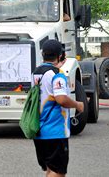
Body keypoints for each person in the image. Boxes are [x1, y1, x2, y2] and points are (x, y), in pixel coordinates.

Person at [32, 39, 84, 177]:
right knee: (58, 172)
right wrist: (77, 105)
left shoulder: (37, 73)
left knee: (50, 170)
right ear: (60, 56)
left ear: (43, 54)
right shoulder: (57, 75)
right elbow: (61, 99)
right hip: (55, 131)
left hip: (40, 130)